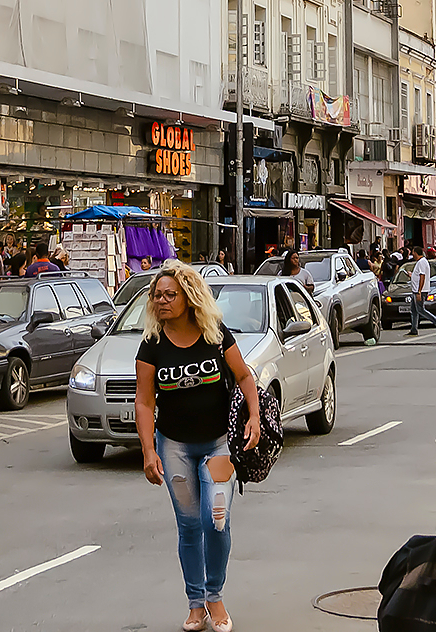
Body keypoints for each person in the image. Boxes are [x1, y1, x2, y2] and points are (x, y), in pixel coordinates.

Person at [135, 263, 260, 632]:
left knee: (216, 521)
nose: (162, 301)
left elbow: (243, 376)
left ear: (188, 298)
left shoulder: (214, 335)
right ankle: (196, 604)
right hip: (173, 445)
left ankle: (215, 595)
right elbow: (144, 402)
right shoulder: (152, 346)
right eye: (157, 295)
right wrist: (148, 450)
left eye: (170, 294)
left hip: (218, 443)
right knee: (189, 527)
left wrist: (253, 416)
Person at [407, 246, 436, 337]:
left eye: (413, 252)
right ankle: (414, 328)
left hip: (420, 290)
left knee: (420, 309)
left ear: (416, 253)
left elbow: (422, 276)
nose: (412, 255)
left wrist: (419, 291)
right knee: (414, 310)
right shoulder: (420, 262)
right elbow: (418, 275)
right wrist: (412, 275)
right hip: (416, 290)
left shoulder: (422, 262)